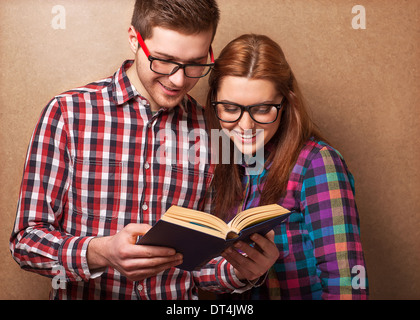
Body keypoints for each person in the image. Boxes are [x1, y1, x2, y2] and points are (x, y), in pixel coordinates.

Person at [10, 1, 278, 300]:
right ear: (134, 40)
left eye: (195, 63)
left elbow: (200, 267)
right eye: (163, 60)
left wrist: (242, 271)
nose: (178, 80)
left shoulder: (214, 130)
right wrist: (100, 252)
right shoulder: (68, 114)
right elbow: (25, 241)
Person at [206, 34, 369, 299]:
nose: (246, 126)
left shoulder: (317, 163)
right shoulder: (223, 159)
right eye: (229, 108)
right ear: (215, 104)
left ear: (285, 104)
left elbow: (347, 286)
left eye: (262, 109)